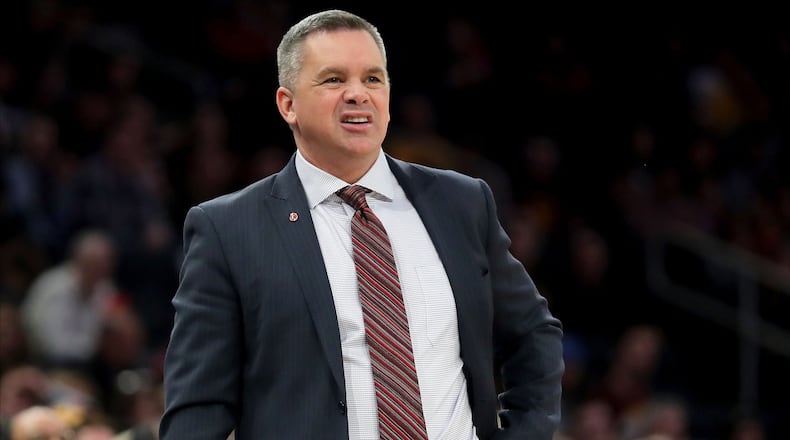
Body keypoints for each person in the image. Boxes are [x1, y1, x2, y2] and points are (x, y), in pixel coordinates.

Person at [159, 9, 564, 440]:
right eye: (334, 80)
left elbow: (533, 333)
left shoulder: (461, 202)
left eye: (373, 78)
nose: (358, 94)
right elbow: (197, 412)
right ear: (288, 104)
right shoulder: (227, 229)